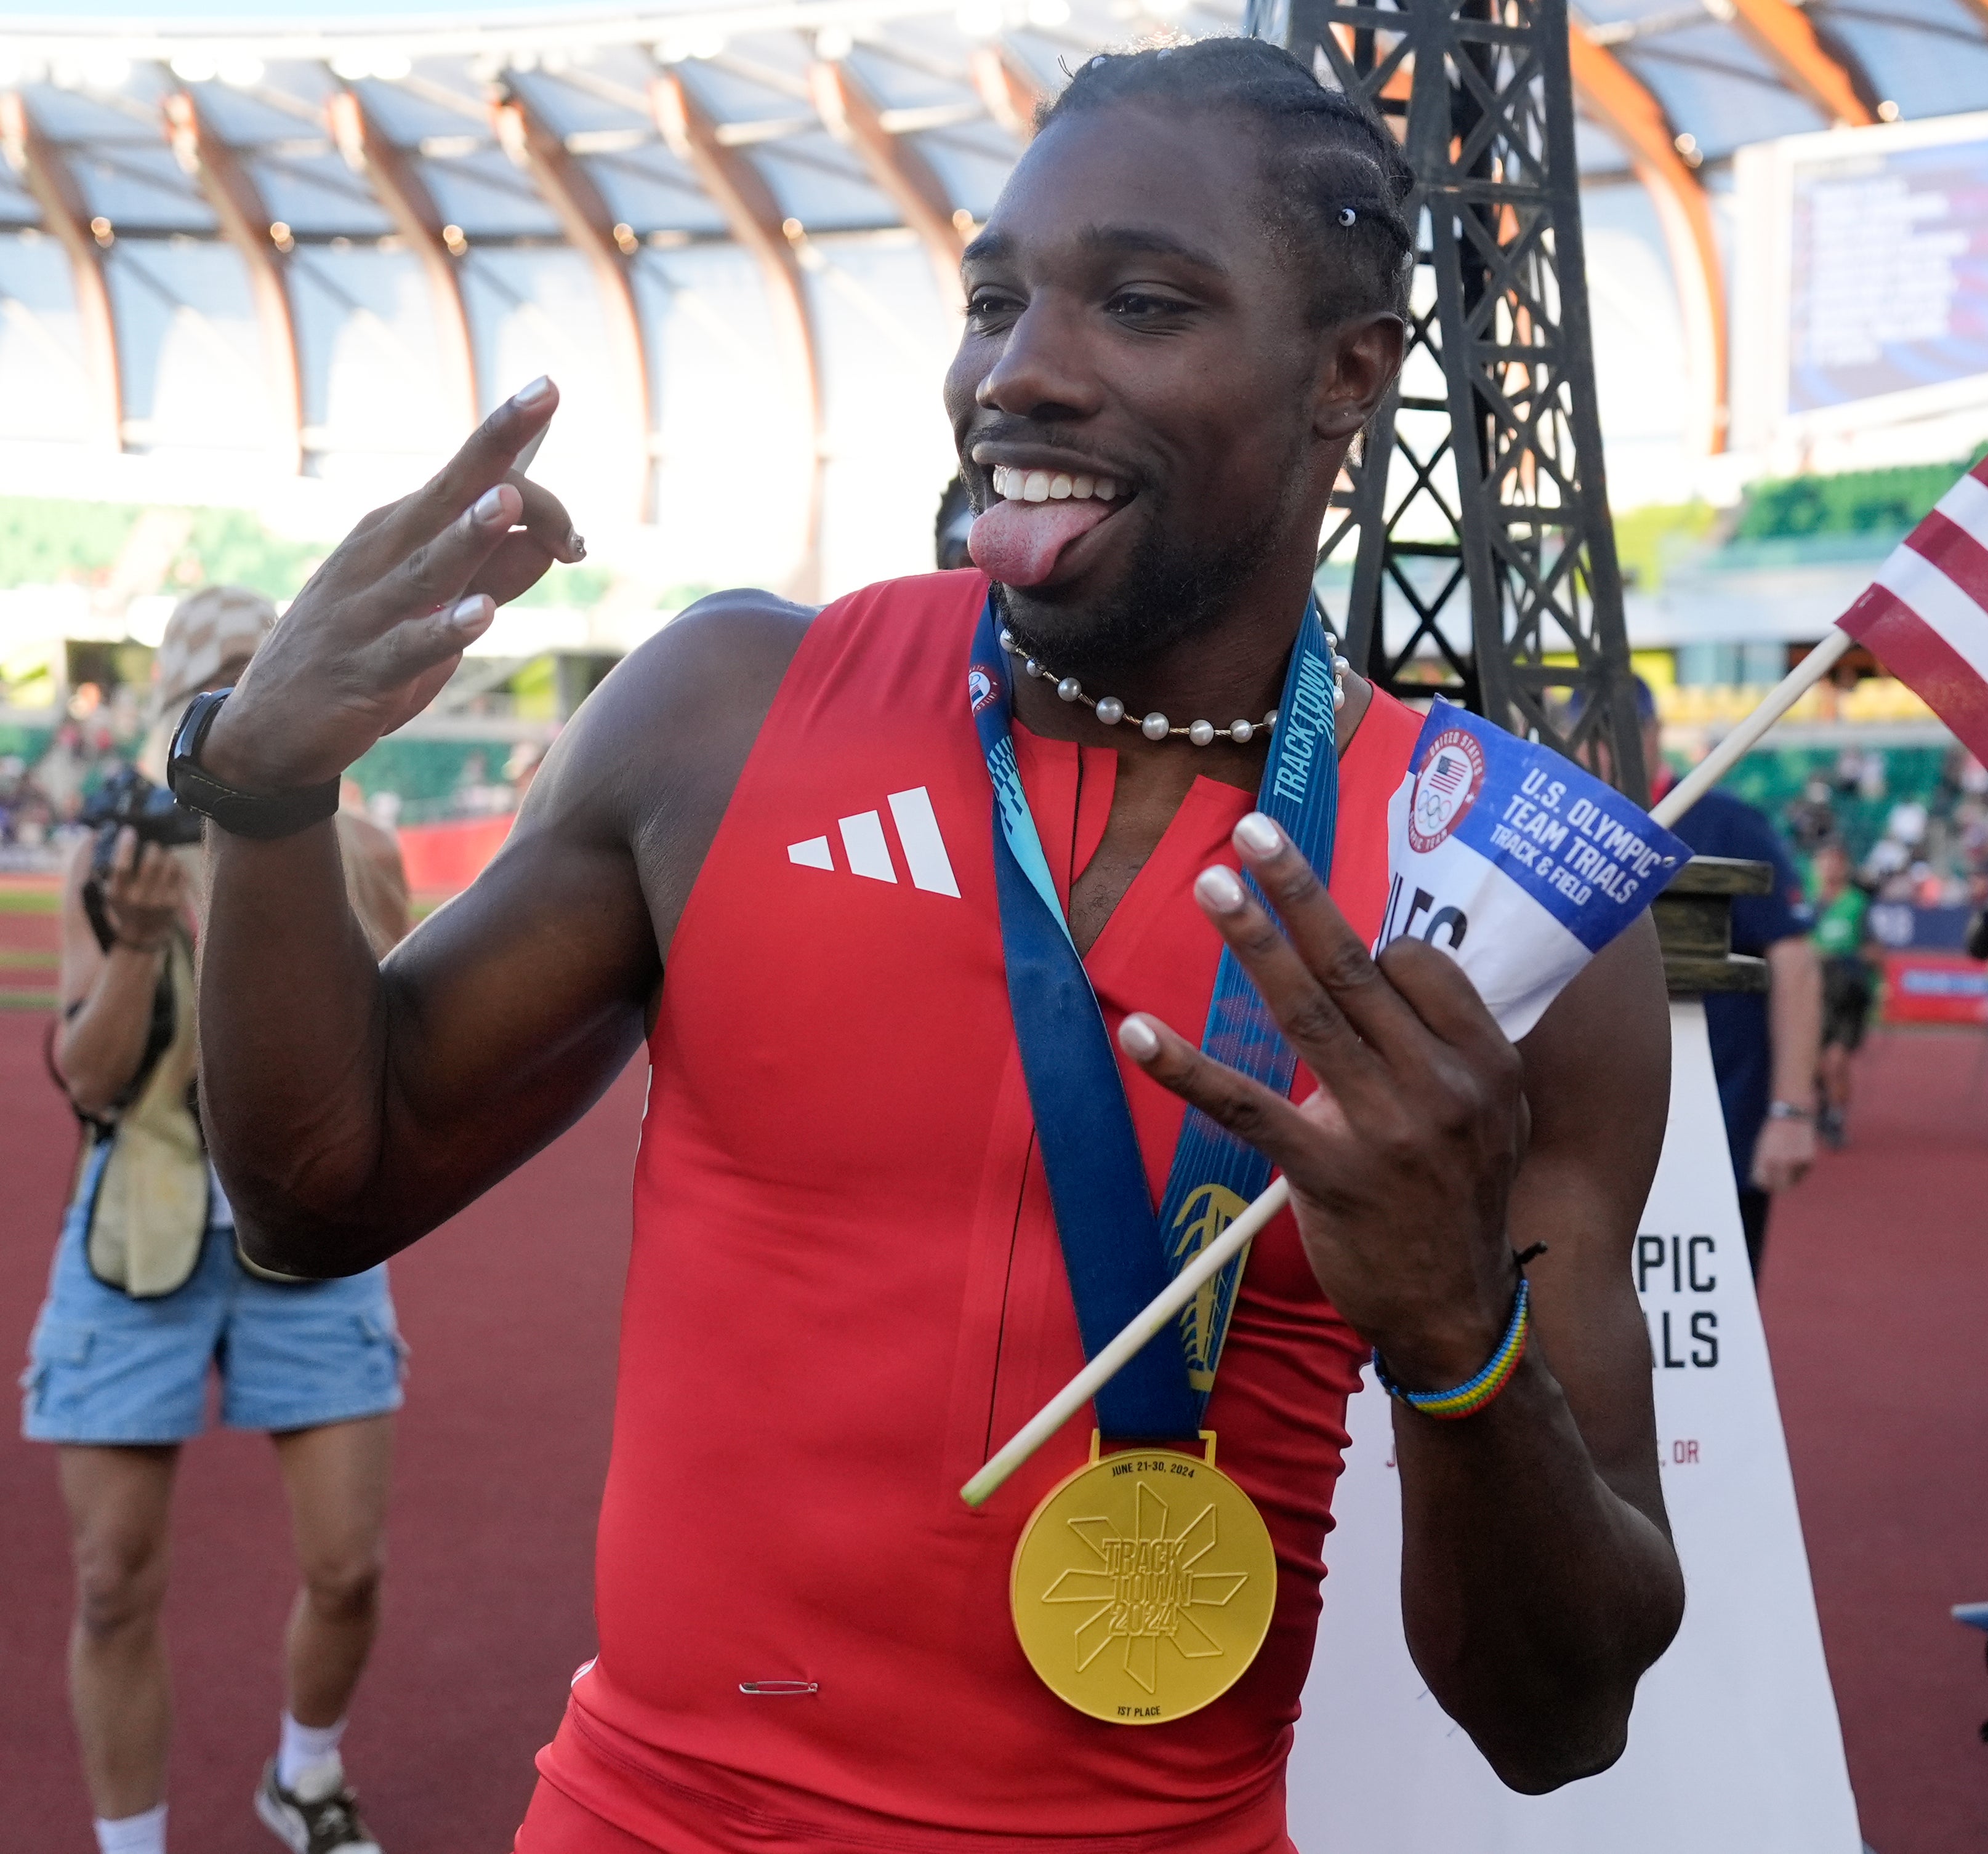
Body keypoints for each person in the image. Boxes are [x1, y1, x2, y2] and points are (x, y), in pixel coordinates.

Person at [176, 41, 1683, 1852]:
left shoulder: (1503, 908)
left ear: (1346, 370)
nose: (1019, 369)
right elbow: (314, 1192)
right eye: (994, 296)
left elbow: (1558, 1717)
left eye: (1135, 301)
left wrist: (1457, 1326)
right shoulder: (722, 713)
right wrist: (261, 806)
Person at [29, 588, 411, 1854]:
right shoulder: (114, 853)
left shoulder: (358, 853)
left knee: (349, 1566)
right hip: (134, 1232)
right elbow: (86, 1085)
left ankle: (303, 1776)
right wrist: (136, 946)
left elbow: (403, 1044)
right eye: (225, 676)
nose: (249, 701)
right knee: (110, 1580)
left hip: (303, 1234)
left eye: (266, 672)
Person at [1630, 686, 1819, 1278]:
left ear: (1653, 733)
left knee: (1710, 1332)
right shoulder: (1564, 819)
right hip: (1600, 1139)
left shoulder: (1728, 823)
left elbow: (1795, 961)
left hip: (1719, 1128)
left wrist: (1790, 1110)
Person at [1806, 838, 1871, 1149]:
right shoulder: (1807, 901)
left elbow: (1873, 949)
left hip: (1847, 988)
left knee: (1837, 1059)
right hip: (1814, 987)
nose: (1830, 867)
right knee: (1816, 1062)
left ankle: (1835, 1116)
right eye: (1824, 861)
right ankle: (1822, 1106)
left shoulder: (1856, 903)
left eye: (1835, 861)